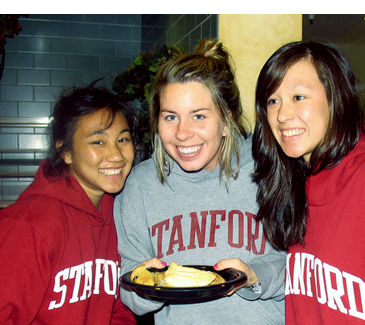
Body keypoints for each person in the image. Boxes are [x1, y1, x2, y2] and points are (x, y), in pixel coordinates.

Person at [252, 40, 365, 324]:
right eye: (273, 101)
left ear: (337, 98)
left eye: (298, 97)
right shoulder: (297, 187)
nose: (282, 115)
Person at [114, 39, 286, 325]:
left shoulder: (270, 168)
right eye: (171, 117)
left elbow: (297, 263)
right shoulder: (140, 186)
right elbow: (127, 280)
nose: (182, 133)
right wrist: (145, 285)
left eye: (198, 116)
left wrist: (255, 277)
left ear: (227, 119)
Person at [0, 84, 138, 324]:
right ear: (65, 151)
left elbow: (115, 311)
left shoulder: (115, 215)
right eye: (98, 142)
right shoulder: (26, 226)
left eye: (122, 139)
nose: (116, 155)